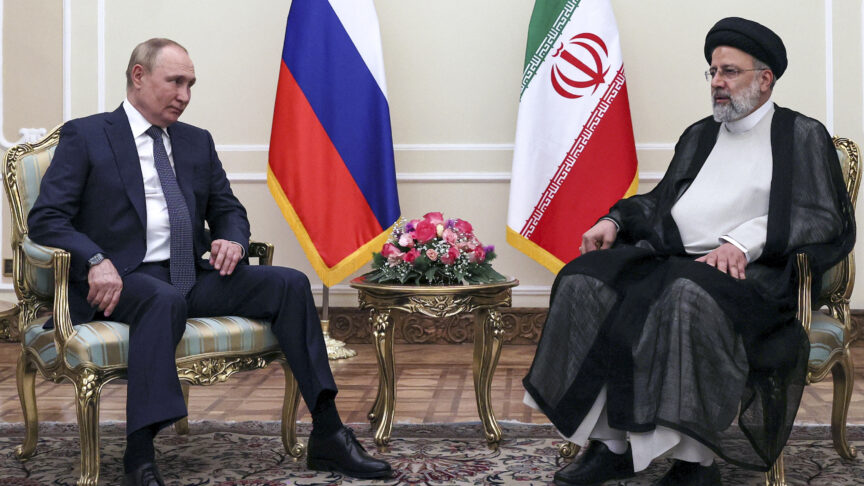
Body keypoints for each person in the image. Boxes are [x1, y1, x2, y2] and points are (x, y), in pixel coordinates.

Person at [27, 38, 392, 486]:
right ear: (138, 77)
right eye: (175, 82)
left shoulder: (196, 141)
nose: (185, 95)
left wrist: (232, 240)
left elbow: (227, 209)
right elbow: (46, 218)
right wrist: (95, 258)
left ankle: (328, 432)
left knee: (291, 284)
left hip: (190, 274)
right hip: (123, 280)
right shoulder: (87, 135)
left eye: (191, 84)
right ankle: (139, 455)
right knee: (162, 301)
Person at [523, 17, 855, 486]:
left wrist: (743, 241)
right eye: (713, 72)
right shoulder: (701, 133)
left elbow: (821, 215)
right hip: (675, 261)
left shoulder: (800, 133)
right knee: (585, 279)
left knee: (685, 296)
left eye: (730, 71)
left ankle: (694, 463)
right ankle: (612, 446)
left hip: (752, 277)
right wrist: (613, 220)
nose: (717, 82)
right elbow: (661, 202)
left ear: (765, 79)